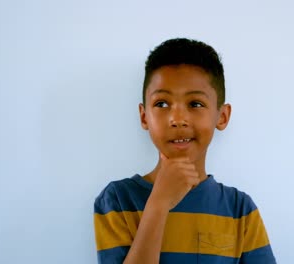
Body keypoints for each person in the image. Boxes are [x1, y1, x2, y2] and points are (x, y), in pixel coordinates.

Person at [93, 38, 276, 263]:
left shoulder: (240, 209)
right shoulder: (117, 201)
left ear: (222, 116)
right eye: (161, 104)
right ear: (144, 116)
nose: (178, 119)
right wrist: (158, 204)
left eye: (195, 104)